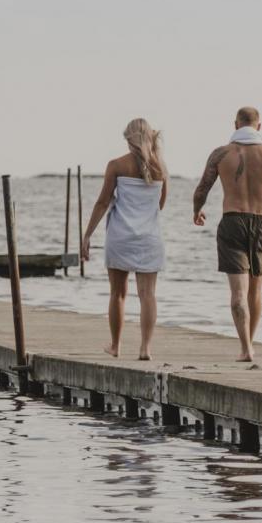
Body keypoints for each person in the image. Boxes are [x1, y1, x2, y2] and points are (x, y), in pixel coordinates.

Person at [192, 106, 262, 363]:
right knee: (255, 291)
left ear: (235, 125)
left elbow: (202, 189)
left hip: (232, 221)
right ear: (259, 126)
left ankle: (245, 347)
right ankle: (251, 344)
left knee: (237, 293)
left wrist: (197, 211)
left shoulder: (221, 153)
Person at [80, 118, 168, 360]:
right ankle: (145, 349)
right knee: (148, 295)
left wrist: (87, 235)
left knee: (118, 293)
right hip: (149, 239)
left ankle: (116, 346)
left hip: (120, 237)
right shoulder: (161, 168)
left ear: (129, 139)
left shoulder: (116, 165)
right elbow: (160, 204)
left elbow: (102, 202)